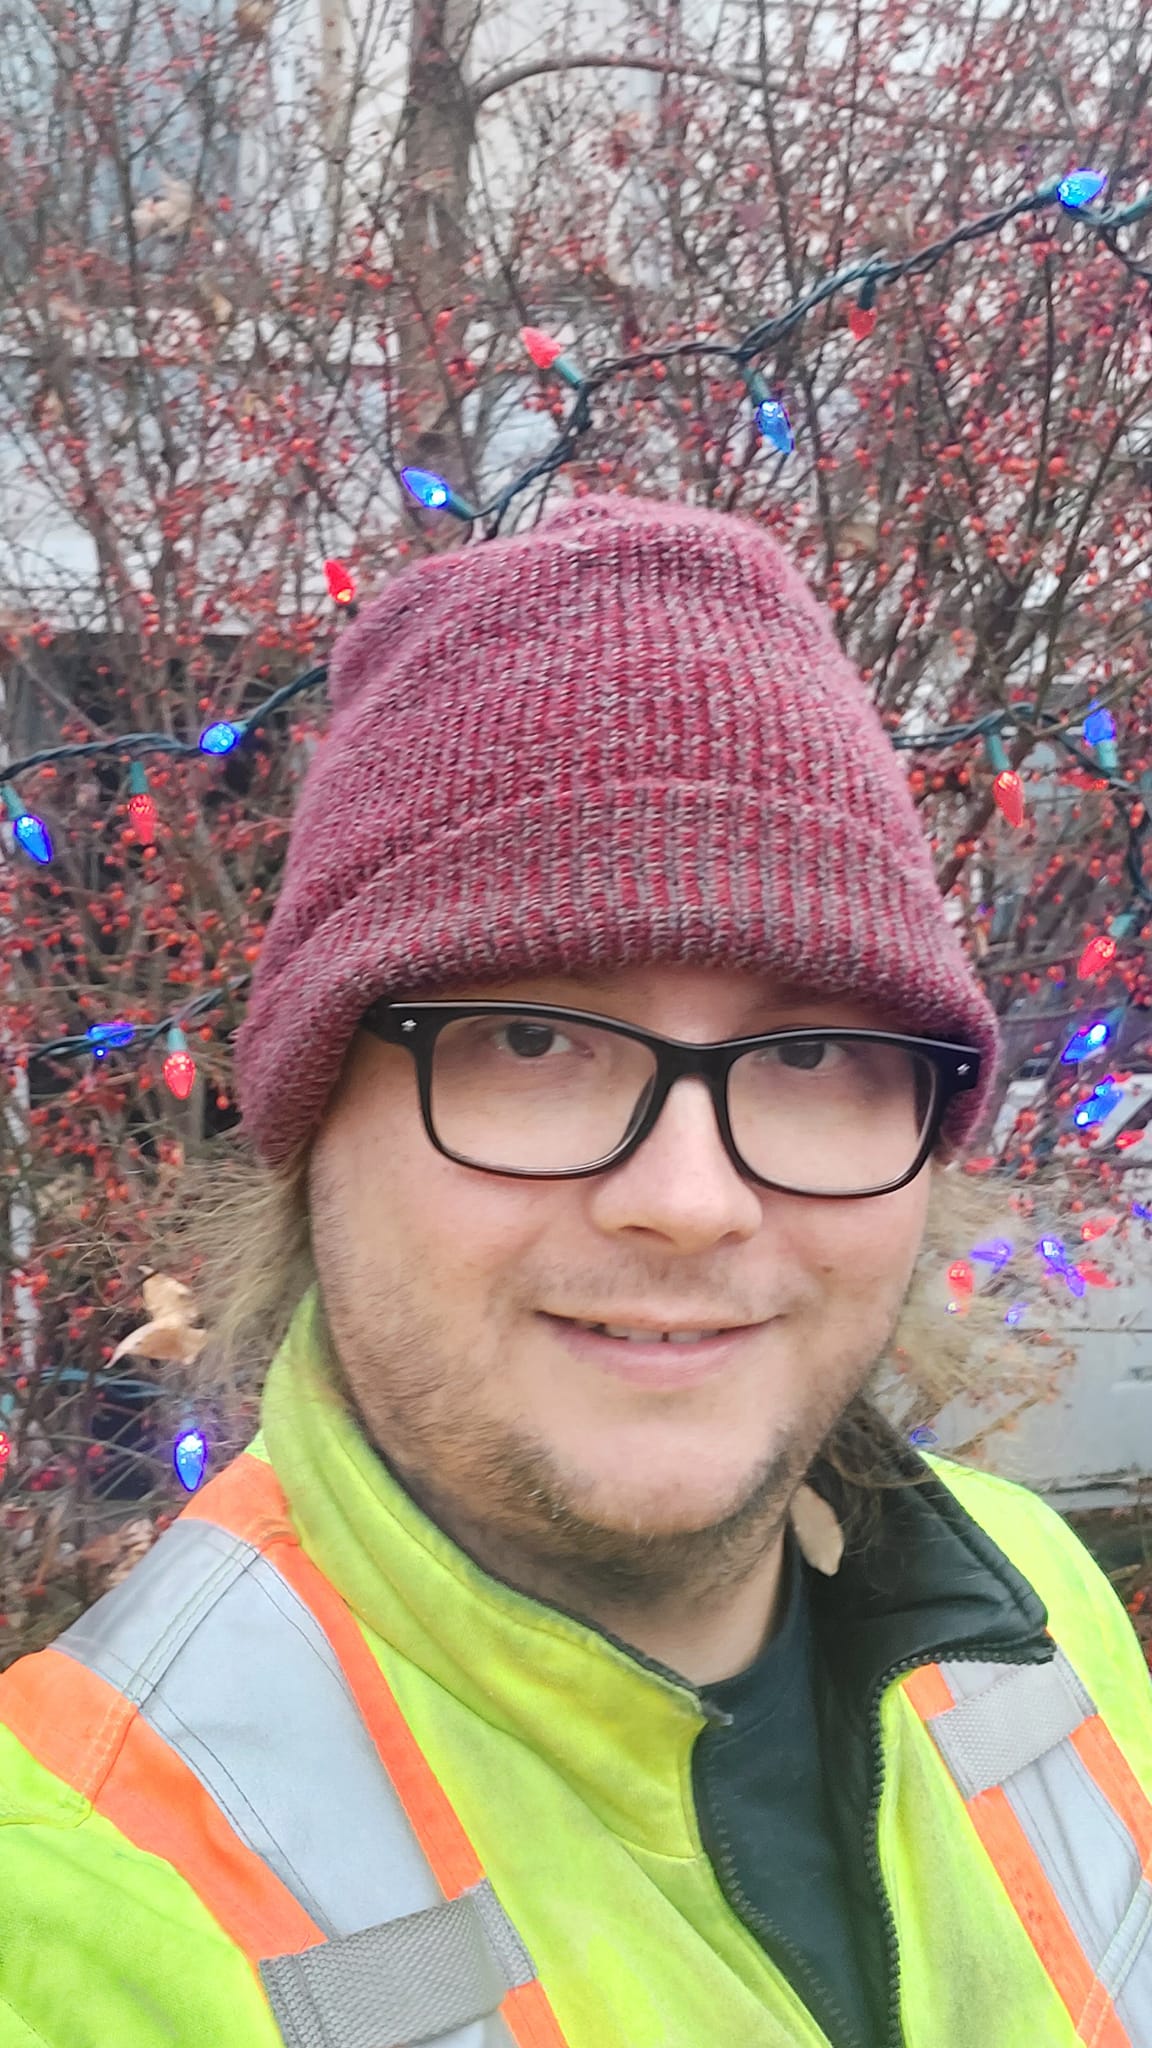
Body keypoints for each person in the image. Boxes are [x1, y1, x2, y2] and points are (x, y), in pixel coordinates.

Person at [2, 492, 1151, 2048]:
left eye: (811, 1047)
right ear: (308, 1128)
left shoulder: (1041, 1601)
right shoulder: (72, 1888)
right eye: (529, 1039)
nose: (691, 1201)